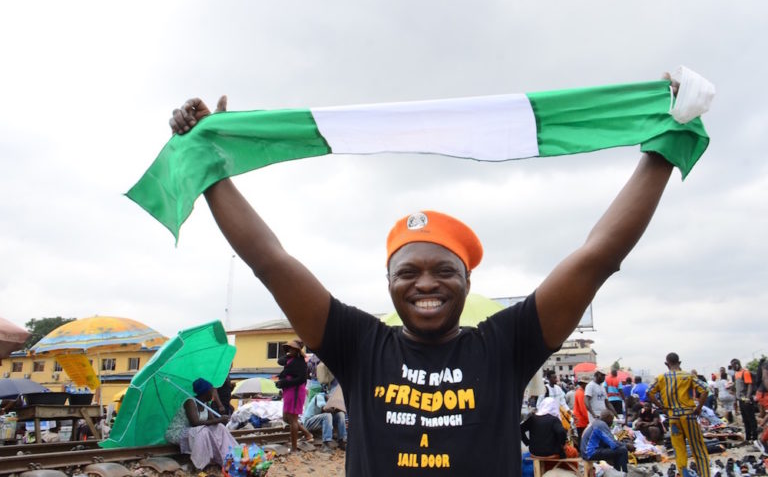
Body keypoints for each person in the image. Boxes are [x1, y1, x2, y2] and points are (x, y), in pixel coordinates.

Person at [167, 78, 683, 476]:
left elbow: (597, 256)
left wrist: (662, 148)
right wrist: (212, 168)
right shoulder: (358, 344)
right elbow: (270, 261)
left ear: (467, 280)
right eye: (408, 272)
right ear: (388, 281)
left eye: (444, 271)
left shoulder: (505, 344)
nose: (426, 284)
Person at [648, 352, 710, 477]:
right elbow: (705, 390)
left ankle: (684, 474)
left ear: (666, 364)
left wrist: (662, 407)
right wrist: (698, 408)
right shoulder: (688, 376)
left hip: (673, 417)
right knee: (698, 449)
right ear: (679, 362)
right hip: (689, 416)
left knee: (679, 450)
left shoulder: (661, 378)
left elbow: (649, 392)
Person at [165, 378, 237, 470]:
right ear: (205, 392)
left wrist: (222, 420)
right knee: (204, 430)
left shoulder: (206, 403)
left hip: (195, 432)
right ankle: (200, 464)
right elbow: (195, 423)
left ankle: (230, 455)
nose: (213, 394)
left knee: (220, 427)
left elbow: (213, 422)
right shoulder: (190, 402)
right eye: (211, 391)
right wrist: (218, 420)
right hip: (179, 432)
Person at [276, 339, 313, 451]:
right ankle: (307, 434)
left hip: (296, 390)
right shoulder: (290, 359)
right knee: (286, 418)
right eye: (289, 348)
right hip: (288, 391)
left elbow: (301, 379)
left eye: (292, 348)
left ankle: (294, 448)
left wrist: (285, 382)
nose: (289, 350)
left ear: (297, 350)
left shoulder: (300, 362)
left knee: (292, 419)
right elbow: (280, 361)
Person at [302, 384, 348, 451]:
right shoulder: (319, 396)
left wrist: (341, 410)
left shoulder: (330, 401)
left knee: (340, 414)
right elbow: (325, 409)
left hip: (318, 421)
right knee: (327, 415)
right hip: (309, 422)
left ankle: (342, 440)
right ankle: (326, 443)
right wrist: (339, 408)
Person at [731, 358, 758, 442]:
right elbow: (736, 387)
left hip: (746, 399)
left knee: (751, 419)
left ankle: (755, 438)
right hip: (740, 400)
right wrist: (735, 398)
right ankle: (748, 438)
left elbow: (749, 385)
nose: (733, 367)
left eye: (734, 365)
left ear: (737, 364)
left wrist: (747, 397)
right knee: (745, 419)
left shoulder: (745, 372)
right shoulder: (736, 374)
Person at [572, 377, 590, 445]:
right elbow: (583, 409)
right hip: (581, 420)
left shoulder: (579, 392)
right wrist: (588, 419)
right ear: (583, 384)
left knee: (581, 436)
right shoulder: (581, 393)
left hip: (580, 419)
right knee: (582, 437)